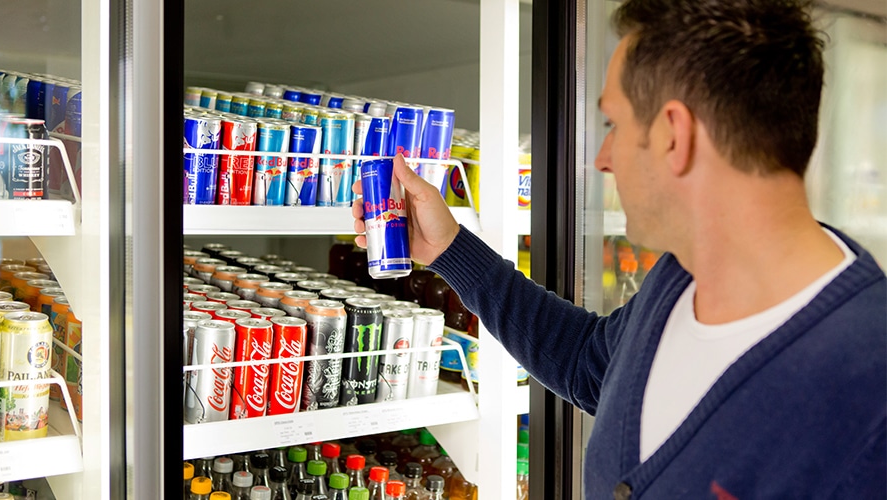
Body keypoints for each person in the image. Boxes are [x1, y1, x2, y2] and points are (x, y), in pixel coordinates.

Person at [353, 0, 886, 497]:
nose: (602, 158)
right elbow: (589, 361)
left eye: (614, 123)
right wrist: (449, 248)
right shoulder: (679, 278)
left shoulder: (867, 390)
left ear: (675, 135)